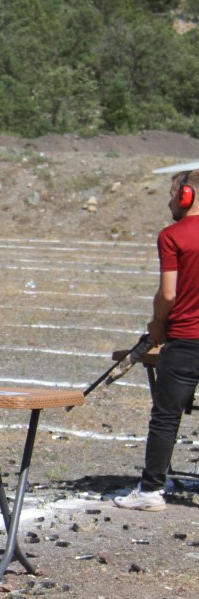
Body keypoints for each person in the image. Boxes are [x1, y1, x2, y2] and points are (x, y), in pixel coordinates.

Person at [115, 170, 199, 512]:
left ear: (186, 196)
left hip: (185, 340)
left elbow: (168, 292)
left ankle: (150, 491)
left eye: (172, 193)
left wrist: (157, 323)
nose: (169, 201)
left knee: (166, 417)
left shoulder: (172, 235)